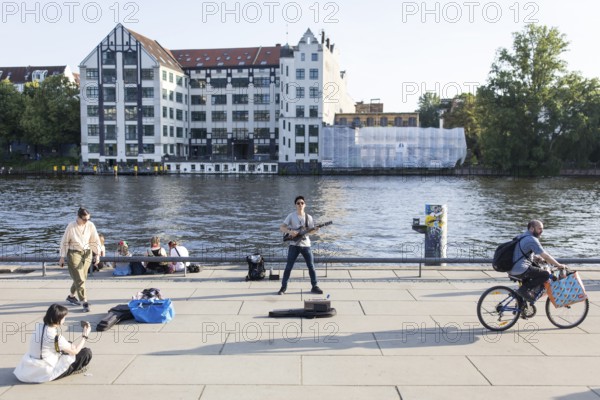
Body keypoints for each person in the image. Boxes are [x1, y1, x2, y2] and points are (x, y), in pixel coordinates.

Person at [13, 304, 92, 382]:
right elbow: (75, 351)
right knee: (86, 352)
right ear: (58, 319)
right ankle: (71, 370)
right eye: (64, 318)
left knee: (69, 345)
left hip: (29, 367)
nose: (64, 320)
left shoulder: (39, 327)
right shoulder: (56, 337)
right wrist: (85, 335)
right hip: (46, 371)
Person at [510, 219, 566, 301]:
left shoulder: (521, 236)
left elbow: (523, 253)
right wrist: (559, 265)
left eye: (542, 229)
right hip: (521, 269)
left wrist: (536, 258)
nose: (541, 231)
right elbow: (546, 256)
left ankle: (521, 304)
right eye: (539, 228)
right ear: (532, 228)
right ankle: (523, 290)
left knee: (533, 276)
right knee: (545, 274)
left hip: (512, 268)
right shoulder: (532, 239)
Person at [278, 195, 323, 295]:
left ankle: (314, 286)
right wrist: (290, 231)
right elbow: (282, 227)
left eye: (302, 203)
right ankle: (283, 287)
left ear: (305, 205)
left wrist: (315, 230)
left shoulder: (309, 217)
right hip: (294, 245)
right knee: (288, 267)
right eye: (298, 203)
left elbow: (310, 232)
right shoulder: (291, 216)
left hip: (306, 245)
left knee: (311, 266)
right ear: (295, 205)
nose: (300, 205)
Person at [59, 207, 101, 313]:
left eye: (88, 219)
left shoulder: (90, 225)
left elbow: (95, 240)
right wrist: (62, 257)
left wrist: (97, 254)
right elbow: (64, 241)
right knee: (80, 278)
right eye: (84, 219)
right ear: (78, 217)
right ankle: (84, 302)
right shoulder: (71, 226)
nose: (87, 221)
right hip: (74, 252)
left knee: (83, 277)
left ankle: (71, 296)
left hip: (87, 253)